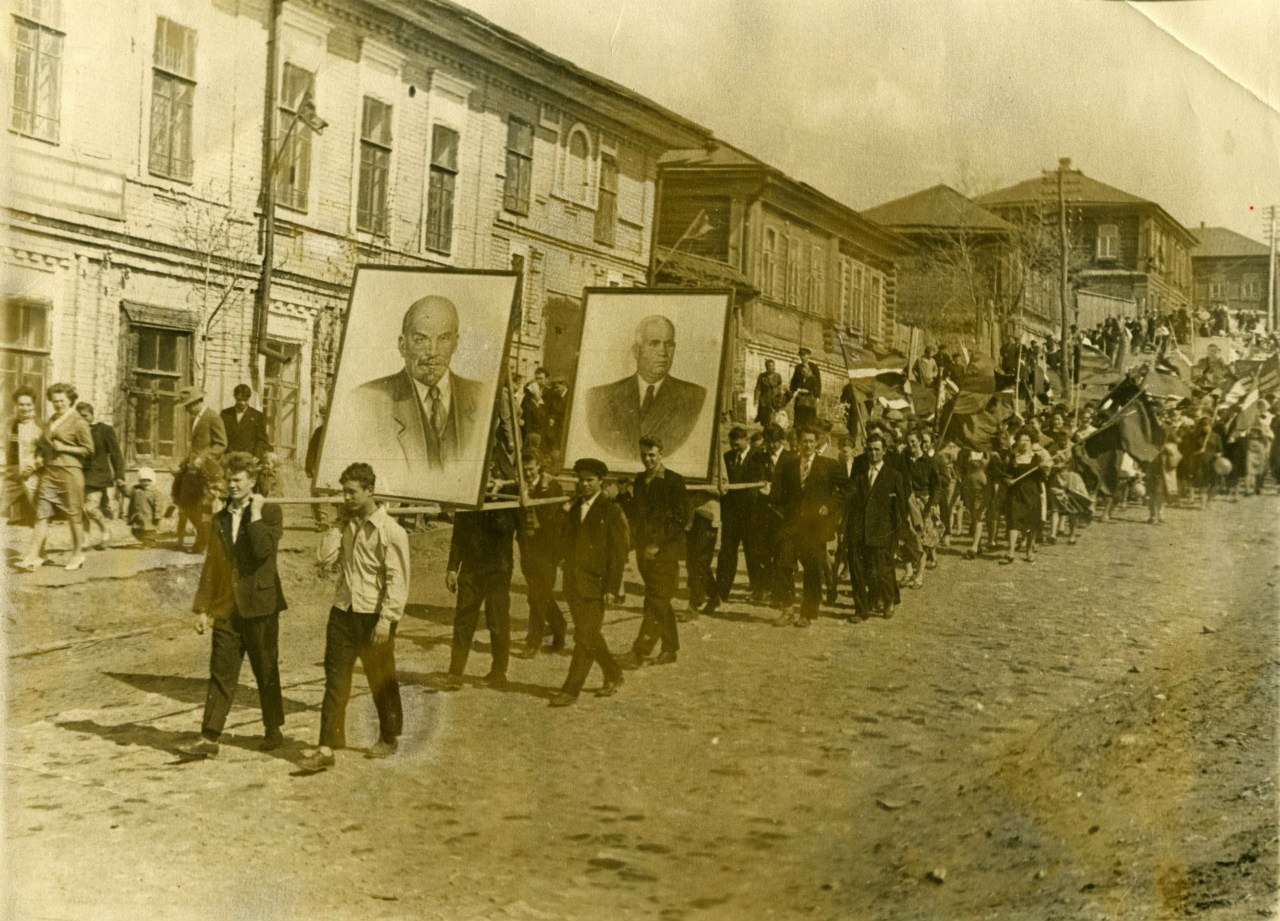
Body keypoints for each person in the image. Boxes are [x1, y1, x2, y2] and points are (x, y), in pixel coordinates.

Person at [300, 463, 409, 771]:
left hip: (374, 616)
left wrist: (387, 619)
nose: (345, 497)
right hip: (343, 613)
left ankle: (388, 736)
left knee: (380, 680)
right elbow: (324, 560)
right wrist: (336, 525)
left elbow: (398, 579)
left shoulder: (391, 531)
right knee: (336, 681)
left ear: (369, 491)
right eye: (342, 491)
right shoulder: (344, 526)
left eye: (352, 492)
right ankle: (327, 745)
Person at [179, 453, 286, 759]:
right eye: (229, 480)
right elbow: (213, 565)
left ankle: (273, 730)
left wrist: (253, 515)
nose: (232, 485)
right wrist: (202, 608)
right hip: (227, 608)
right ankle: (209, 736)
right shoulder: (220, 519)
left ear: (252, 482)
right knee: (221, 672)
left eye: (238, 480)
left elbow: (263, 550)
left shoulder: (271, 513)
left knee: (265, 669)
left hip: (261, 605)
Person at [346, 296, 486, 480]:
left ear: (456, 343)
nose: (433, 352)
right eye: (421, 340)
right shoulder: (367, 399)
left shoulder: (483, 396)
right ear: (403, 345)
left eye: (444, 339)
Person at [549, 458, 628, 708]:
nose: (584, 484)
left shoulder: (610, 510)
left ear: (600, 482)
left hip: (597, 584)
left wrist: (613, 589)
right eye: (581, 480)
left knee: (584, 637)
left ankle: (571, 690)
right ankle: (613, 673)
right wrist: (562, 512)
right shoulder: (573, 508)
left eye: (590, 480)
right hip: (573, 583)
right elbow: (561, 538)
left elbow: (618, 553)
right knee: (590, 634)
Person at [585, 315, 707, 458]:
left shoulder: (695, 397)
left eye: (669, 344)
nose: (663, 352)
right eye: (654, 343)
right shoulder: (599, 397)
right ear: (636, 351)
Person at [618, 436, 689, 667]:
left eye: (651, 455)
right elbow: (636, 514)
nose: (647, 459)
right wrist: (623, 495)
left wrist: (657, 544)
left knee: (656, 601)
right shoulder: (639, 481)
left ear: (661, 455)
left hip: (664, 552)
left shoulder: (673, 481)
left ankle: (640, 651)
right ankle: (670, 649)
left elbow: (680, 520)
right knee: (659, 600)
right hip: (643, 553)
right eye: (643, 455)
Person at [444, 484, 519, 690]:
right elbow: (458, 537)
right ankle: (455, 672)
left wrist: (496, 500)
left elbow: (509, 528)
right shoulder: (468, 498)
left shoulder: (510, 497)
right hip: (470, 570)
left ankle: (498, 672)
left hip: (498, 571)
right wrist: (452, 568)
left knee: (497, 621)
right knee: (463, 620)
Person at [771, 426, 845, 627]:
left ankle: (808, 612)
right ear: (798, 442)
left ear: (817, 442)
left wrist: (828, 506)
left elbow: (847, 489)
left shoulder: (828, 465)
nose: (808, 445)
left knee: (812, 569)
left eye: (812, 441)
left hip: (814, 527)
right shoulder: (788, 465)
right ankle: (787, 608)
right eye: (805, 441)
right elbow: (780, 495)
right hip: (791, 525)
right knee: (782, 563)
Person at [18, 383, 94, 572]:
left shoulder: (79, 421)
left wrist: (65, 448)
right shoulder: (51, 420)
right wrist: (37, 461)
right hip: (49, 472)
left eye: (61, 400)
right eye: (54, 401)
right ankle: (33, 555)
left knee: (73, 515)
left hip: (69, 472)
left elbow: (89, 450)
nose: (58, 404)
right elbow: (45, 446)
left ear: (70, 400)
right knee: (42, 514)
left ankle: (78, 554)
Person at [844, 432, 907, 620]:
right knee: (857, 571)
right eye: (870, 450)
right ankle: (860, 609)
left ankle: (888, 601)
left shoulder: (893, 476)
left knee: (882, 571)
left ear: (884, 451)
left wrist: (898, 534)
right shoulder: (860, 473)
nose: (873, 454)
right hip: (858, 529)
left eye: (877, 450)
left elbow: (900, 508)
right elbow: (851, 500)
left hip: (882, 532)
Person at [513, 448, 568, 657]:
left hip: (547, 549)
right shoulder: (519, 488)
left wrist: (540, 493)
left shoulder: (552, 487)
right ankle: (560, 625)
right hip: (526, 547)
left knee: (536, 596)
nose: (527, 474)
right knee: (540, 594)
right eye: (524, 470)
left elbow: (552, 517)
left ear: (539, 466)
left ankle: (533, 642)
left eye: (530, 469)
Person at [173, 386, 228, 554]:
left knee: (205, 508)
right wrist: (183, 464)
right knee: (186, 504)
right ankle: (205, 537)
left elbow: (221, 443)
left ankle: (203, 543)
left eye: (189, 406)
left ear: (197, 402)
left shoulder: (213, 417)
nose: (188, 410)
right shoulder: (195, 419)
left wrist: (202, 459)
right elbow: (195, 448)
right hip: (193, 470)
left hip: (208, 471)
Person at [744, 423, 792, 604]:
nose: (772, 446)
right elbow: (752, 480)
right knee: (761, 553)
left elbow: (792, 486)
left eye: (775, 442)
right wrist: (759, 487)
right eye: (769, 442)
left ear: (782, 441)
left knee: (780, 554)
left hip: (781, 514)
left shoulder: (790, 459)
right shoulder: (759, 458)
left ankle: (778, 594)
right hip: (762, 513)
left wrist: (774, 491)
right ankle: (763, 590)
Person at [712, 426, 754, 607]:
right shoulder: (727, 458)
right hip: (731, 514)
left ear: (746, 440)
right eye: (732, 444)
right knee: (727, 553)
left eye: (738, 444)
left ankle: (759, 589)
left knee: (753, 554)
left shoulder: (757, 457)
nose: (735, 448)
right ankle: (722, 591)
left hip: (751, 514)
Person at [76, 401, 125, 550]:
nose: (82, 419)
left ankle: (105, 530)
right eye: (79, 417)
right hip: (79, 474)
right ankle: (85, 540)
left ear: (92, 415)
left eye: (85, 416)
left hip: (98, 474)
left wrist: (119, 474)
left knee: (90, 508)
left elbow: (116, 453)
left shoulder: (104, 430)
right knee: (80, 509)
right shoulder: (75, 431)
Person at [1001, 430, 1045, 564]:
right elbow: (1005, 474)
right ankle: (1011, 552)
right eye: (1022, 440)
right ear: (1017, 442)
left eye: (1027, 440)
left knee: (1031, 524)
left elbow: (1042, 478)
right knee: (1013, 521)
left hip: (1032, 493)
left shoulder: (1037, 459)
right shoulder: (1012, 457)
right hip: (1015, 493)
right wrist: (1007, 480)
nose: (1024, 443)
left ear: (1031, 443)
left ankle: (1029, 552)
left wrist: (1042, 469)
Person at [221, 383, 274, 495]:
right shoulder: (225, 414)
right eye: (239, 399)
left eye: (245, 400)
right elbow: (221, 436)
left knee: (247, 491)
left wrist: (256, 456)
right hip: (230, 459)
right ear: (235, 397)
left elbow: (262, 439)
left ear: (248, 398)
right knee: (231, 489)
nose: (242, 403)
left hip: (249, 460)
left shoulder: (257, 416)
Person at [5, 386, 42, 527]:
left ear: (33, 405)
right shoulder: (10, 424)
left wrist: (33, 466)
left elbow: (46, 452)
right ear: (16, 405)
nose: (24, 408)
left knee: (37, 514)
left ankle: (39, 546)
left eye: (28, 404)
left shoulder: (39, 425)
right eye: (21, 404)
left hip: (32, 474)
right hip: (12, 473)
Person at [789, 347, 822, 430]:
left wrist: (817, 396)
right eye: (800, 355)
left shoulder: (814, 367)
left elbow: (818, 382)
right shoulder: (798, 367)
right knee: (798, 416)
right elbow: (793, 380)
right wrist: (793, 391)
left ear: (808, 356)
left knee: (809, 416)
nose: (802, 357)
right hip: (799, 396)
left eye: (804, 355)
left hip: (810, 396)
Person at [128, 467, 161, 546]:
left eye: (148, 481)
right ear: (140, 481)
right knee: (136, 530)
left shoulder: (154, 492)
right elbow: (128, 493)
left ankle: (149, 542)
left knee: (149, 531)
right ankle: (145, 541)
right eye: (143, 481)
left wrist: (157, 514)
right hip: (138, 515)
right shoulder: (136, 490)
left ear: (152, 481)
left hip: (149, 516)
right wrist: (122, 486)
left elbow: (158, 504)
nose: (145, 483)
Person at [754, 359, 784, 427]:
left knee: (774, 417)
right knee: (764, 419)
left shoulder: (778, 376)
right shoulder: (762, 376)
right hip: (764, 400)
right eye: (769, 366)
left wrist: (780, 397)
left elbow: (780, 387)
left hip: (774, 399)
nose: (770, 367)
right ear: (766, 367)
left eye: (772, 366)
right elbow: (758, 388)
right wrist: (756, 400)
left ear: (774, 367)